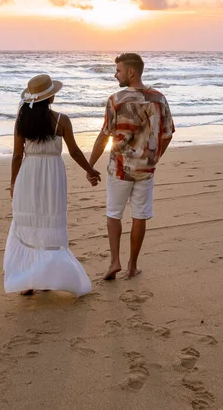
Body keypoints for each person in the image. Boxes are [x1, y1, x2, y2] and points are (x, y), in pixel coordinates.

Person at [4, 74, 100, 297]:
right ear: (50, 97)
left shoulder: (22, 120)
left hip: (29, 174)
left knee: (29, 223)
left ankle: (27, 281)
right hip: (53, 175)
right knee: (49, 223)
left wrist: (13, 182)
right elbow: (74, 151)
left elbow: (18, 155)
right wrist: (90, 170)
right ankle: (46, 277)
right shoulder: (62, 120)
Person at [87, 53, 175, 280]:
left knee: (113, 214)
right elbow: (167, 134)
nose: (115, 75)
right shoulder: (158, 99)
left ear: (131, 72)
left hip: (119, 168)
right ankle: (132, 265)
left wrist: (90, 165)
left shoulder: (116, 100)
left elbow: (104, 135)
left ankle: (114, 261)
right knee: (139, 216)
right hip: (145, 170)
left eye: (118, 70)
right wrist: (154, 158)